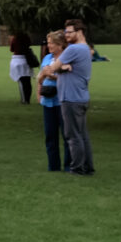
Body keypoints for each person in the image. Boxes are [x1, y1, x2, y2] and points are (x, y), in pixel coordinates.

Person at [41, 24, 94, 175]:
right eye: (65, 32)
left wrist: (59, 67)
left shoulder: (73, 49)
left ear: (80, 32)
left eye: (69, 32)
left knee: (73, 136)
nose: (67, 35)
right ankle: (88, 167)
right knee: (82, 135)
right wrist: (63, 67)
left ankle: (76, 168)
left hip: (71, 98)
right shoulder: (85, 49)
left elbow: (52, 68)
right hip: (82, 96)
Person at [38, 32, 66, 171]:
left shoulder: (66, 58)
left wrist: (52, 76)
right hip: (47, 100)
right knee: (50, 134)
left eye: (51, 43)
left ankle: (69, 165)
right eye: (48, 43)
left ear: (60, 45)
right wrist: (40, 87)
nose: (48, 46)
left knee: (66, 134)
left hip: (62, 100)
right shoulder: (47, 58)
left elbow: (68, 78)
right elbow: (40, 78)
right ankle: (53, 166)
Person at [8, 33, 38, 104]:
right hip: (26, 60)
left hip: (18, 60)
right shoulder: (27, 37)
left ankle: (24, 99)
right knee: (27, 81)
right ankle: (27, 99)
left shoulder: (15, 38)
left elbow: (11, 49)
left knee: (21, 81)